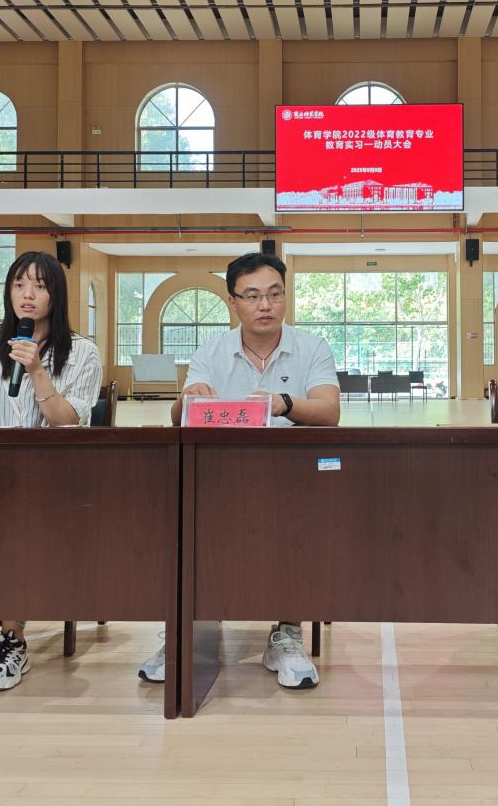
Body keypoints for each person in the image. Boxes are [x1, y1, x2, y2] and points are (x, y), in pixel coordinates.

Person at [138, 251, 340, 690]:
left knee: (299, 524)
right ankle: (190, 631)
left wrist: (284, 404)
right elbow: (178, 418)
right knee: (185, 519)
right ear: (233, 302)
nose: (265, 305)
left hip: (292, 475)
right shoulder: (211, 350)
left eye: (274, 294)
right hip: (221, 475)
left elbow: (329, 412)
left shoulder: (312, 347)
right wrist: (187, 397)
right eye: (252, 296)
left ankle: (286, 632)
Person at [0, 250, 103, 692]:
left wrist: (35, 371)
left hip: (50, 478)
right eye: (19, 284)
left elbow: (69, 421)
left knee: (17, 525)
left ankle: (13, 639)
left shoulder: (82, 352)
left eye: (39, 285)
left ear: (56, 295)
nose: (27, 294)